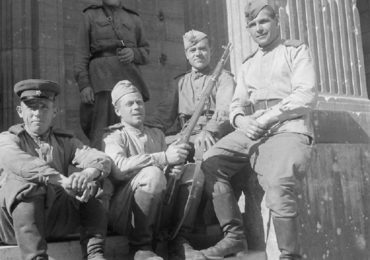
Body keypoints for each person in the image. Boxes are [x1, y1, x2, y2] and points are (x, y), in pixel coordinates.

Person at [200, 1, 317, 259]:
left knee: (277, 183)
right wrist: (241, 120)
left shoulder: (295, 51)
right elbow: (237, 104)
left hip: (288, 126)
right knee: (211, 161)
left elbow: (305, 95)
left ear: (276, 21)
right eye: (252, 25)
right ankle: (233, 236)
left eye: (263, 21)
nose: (258, 29)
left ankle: (289, 254)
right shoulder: (248, 63)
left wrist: (265, 119)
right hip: (253, 128)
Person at [0, 79, 112, 260]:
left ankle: (95, 254)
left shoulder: (64, 141)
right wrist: (63, 181)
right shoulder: (8, 139)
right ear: (20, 112)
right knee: (25, 184)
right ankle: (36, 258)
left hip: (55, 219)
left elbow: (101, 159)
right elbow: (19, 163)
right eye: (31, 107)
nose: (37, 113)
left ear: (54, 112)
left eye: (44, 107)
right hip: (14, 226)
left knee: (96, 183)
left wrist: (86, 174)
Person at [157, 29, 235, 260]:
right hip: (185, 134)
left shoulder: (224, 78)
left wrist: (209, 129)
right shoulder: (179, 82)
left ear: (210, 51)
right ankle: (158, 230)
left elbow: (224, 110)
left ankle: (183, 235)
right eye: (193, 50)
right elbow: (162, 117)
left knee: (201, 158)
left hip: (213, 135)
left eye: (202, 48)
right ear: (186, 55)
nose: (198, 53)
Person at [102, 80, 192, 260]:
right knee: (152, 174)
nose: (136, 107)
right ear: (118, 111)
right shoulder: (113, 136)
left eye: (139, 102)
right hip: (125, 212)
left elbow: (165, 171)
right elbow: (119, 167)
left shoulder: (156, 134)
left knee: (193, 172)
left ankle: (179, 240)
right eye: (130, 104)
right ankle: (140, 248)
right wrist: (164, 158)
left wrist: (174, 170)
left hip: (157, 205)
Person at [74, 0, 150, 149]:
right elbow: (80, 54)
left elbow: (146, 52)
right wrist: (84, 84)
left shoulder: (134, 18)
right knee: (101, 132)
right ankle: (101, 166)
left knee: (131, 127)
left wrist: (133, 53)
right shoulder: (90, 15)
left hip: (128, 78)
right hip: (101, 80)